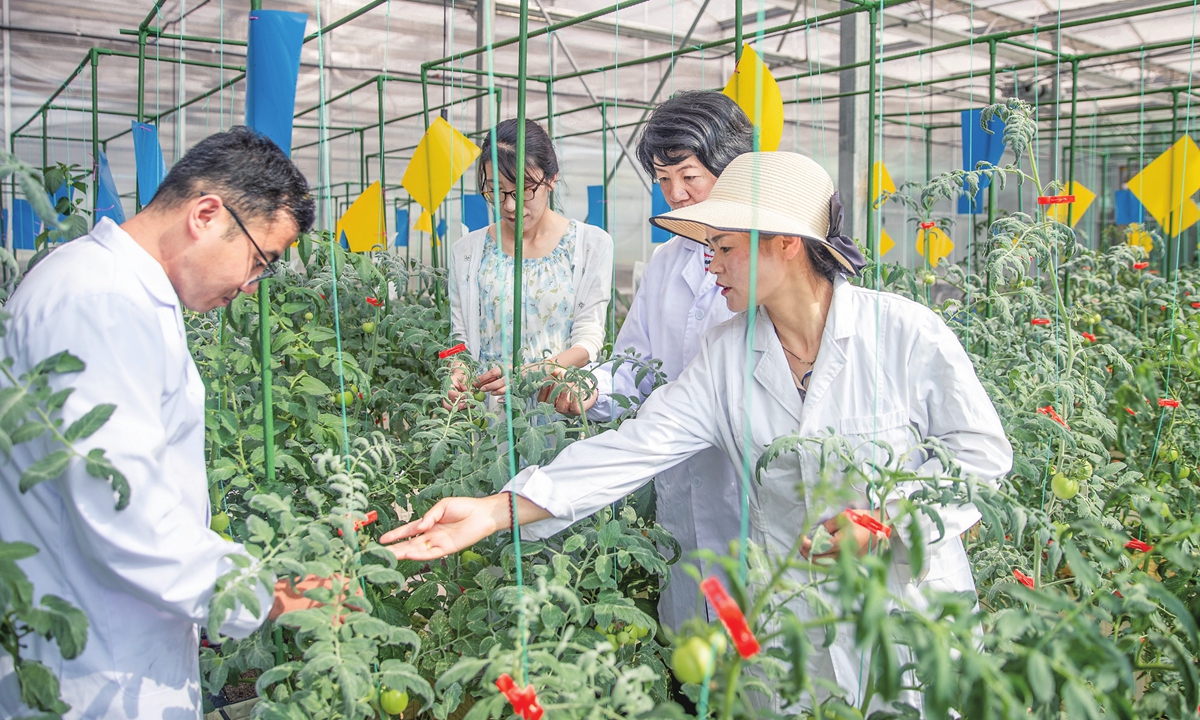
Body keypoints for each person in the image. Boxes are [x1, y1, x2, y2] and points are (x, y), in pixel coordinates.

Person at [381, 152, 1013, 713]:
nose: (710, 263)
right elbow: (634, 447)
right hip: (787, 618)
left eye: (724, 246)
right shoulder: (726, 354)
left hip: (906, 612)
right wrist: (497, 509)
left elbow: (981, 455)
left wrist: (888, 520)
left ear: (785, 243)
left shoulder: (904, 334)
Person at [0, 127, 322, 719]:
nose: (251, 286)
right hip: (90, 667)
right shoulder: (99, 303)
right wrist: (261, 593)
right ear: (205, 214)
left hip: (116, 640)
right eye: (259, 261)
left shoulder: (118, 291)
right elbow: (121, 509)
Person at [556, 90, 752, 632]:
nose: (677, 194)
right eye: (664, 180)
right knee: (688, 642)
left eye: (689, 176)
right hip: (679, 489)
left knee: (751, 653)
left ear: (731, 165)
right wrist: (586, 389)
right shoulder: (665, 264)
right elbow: (634, 368)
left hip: (745, 493)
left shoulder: (770, 261)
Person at [449, 118, 613, 400]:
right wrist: (458, 372)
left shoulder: (591, 245)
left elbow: (589, 339)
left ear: (552, 178)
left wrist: (533, 373)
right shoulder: (466, 252)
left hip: (556, 403)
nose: (509, 205)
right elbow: (460, 338)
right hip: (489, 408)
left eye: (524, 188)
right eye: (496, 190)